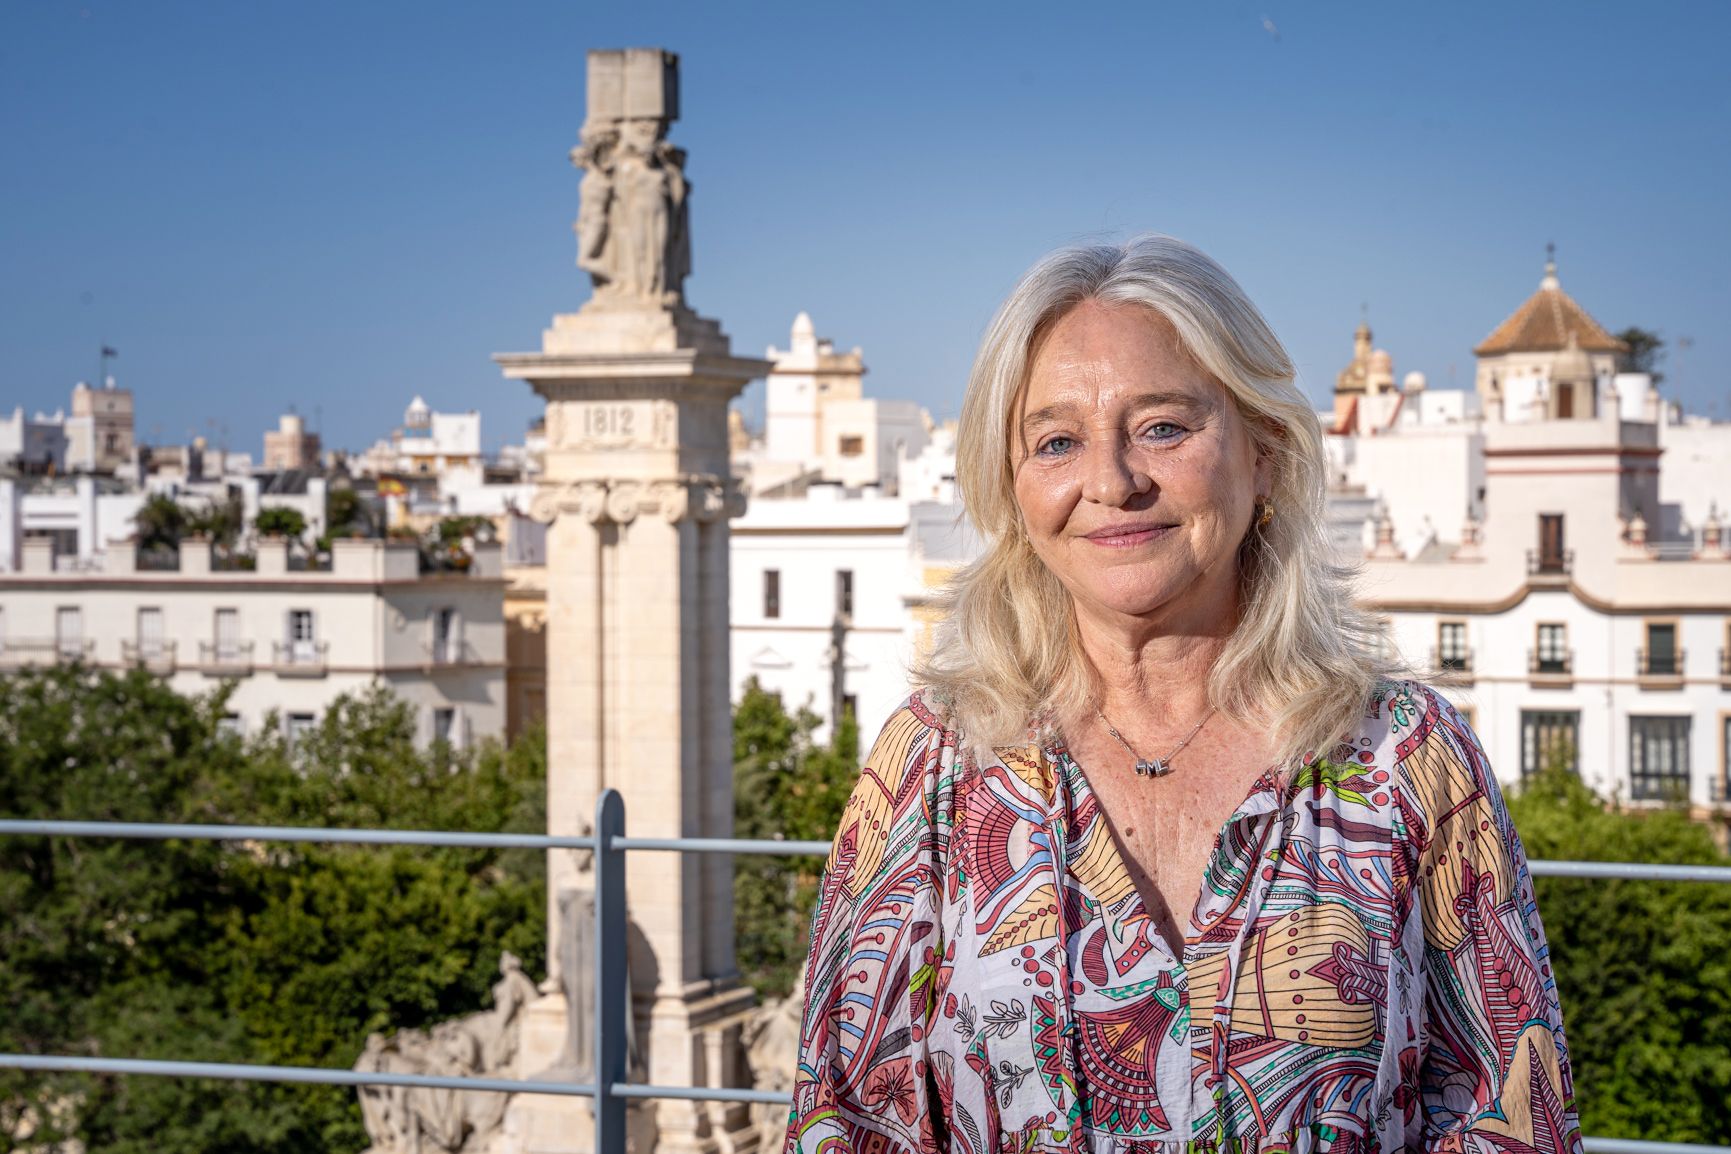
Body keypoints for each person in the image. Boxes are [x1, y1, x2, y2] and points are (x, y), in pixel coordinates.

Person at [784, 237, 1580, 1153]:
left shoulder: (1404, 755)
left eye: (1162, 427)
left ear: (1265, 452)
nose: (1112, 482)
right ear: (1010, 488)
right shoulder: (931, 764)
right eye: (1056, 442)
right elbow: (849, 1116)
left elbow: (1509, 1112)